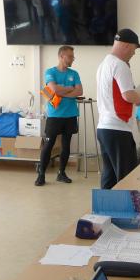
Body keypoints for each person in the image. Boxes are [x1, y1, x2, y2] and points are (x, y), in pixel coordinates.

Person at [95, 28, 140, 189]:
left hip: (104, 127)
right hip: (118, 128)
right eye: (134, 49)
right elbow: (128, 96)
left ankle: (104, 204)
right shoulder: (120, 65)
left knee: (109, 175)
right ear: (126, 45)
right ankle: (128, 205)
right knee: (126, 177)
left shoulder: (103, 64)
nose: (134, 53)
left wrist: (135, 98)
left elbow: (119, 95)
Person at [36, 45, 83, 186]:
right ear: (62, 56)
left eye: (73, 56)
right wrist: (69, 89)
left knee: (66, 146)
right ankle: (41, 174)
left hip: (70, 114)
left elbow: (79, 91)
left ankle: (61, 173)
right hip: (54, 115)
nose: (73, 59)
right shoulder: (50, 72)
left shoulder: (74, 73)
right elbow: (53, 89)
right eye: (70, 56)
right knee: (48, 144)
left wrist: (61, 92)